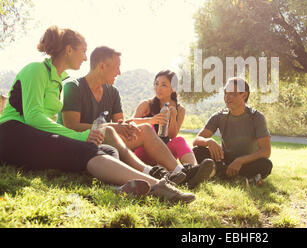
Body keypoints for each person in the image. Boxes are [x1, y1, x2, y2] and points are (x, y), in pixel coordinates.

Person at [0, 26, 195, 203]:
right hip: (12, 133)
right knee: (88, 150)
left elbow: (46, 123)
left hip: (36, 138)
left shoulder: (59, 80)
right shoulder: (36, 70)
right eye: (83, 51)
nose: (86, 58)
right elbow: (34, 117)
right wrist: (80, 137)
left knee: (109, 152)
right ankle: (158, 186)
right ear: (69, 50)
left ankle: (119, 188)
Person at [60, 49, 213, 189]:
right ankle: (151, 172)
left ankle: (180, 172)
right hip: (83, 142)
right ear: (102, 66)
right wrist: (117, 126)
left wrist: (128, 128)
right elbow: (71, 125)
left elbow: (122, 124)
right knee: (113, 131)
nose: (119, 72)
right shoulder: (74, 87)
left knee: (145, 129)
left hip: (110, 141)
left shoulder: (112, 92)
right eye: (117, 67)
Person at [131, 70, 214, 188]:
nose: (158, 88)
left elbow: (172, 135)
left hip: (163, 155)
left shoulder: (180, 109)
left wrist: (173, 117)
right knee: (149, 128)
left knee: (179, 140)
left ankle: (194, 171)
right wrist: (151, 120)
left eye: (163, 85)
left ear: (173, 88)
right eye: (156, 84)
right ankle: (182, 173)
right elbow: (130, 124)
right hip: (142, 153)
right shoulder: (146, 104)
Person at [192, 77, 273, 183]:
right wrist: (208, 141)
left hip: (247, 162)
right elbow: (196, 140)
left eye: (232, 94)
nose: (227, 97)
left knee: (266, 164)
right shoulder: (219, 116)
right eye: (225, 93)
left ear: (244, 95)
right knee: (197, 151)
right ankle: (241, 176)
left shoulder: (257, 117)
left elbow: (266, 151)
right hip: (225, 160)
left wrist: (240, 161)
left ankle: (219, 173)